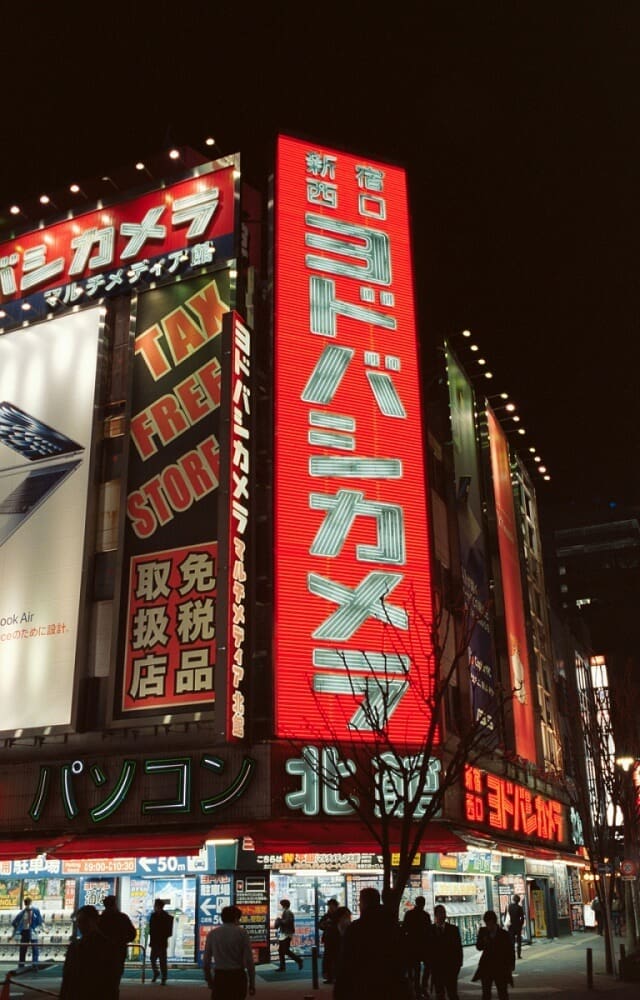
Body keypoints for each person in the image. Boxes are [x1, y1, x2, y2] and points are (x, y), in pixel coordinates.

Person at [334, 886, 403, 1000]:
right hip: (388, 984)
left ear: (364, 903)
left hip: (362, 984)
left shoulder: (356, 928)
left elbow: (346, 961)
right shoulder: (391, 926)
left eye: (360, 901)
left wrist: (340, 990)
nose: (359, 905)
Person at [60, 905, 122, 999]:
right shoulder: (107, 945)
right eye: (78, 922)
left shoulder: (105, 946)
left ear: (95, 921)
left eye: (84, 921)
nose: (80, 925)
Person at [203, 904, 256, 999]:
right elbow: (249, 960)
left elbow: (206, 960)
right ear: (236, 918)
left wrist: (209, 980)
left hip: (220, 976)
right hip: (238, 976)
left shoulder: (213, 934)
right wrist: (252, 983)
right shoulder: (242, 933)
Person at [472, 910, 515, 1000]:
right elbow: (478, 947)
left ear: (494, 922)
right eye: (487, 924)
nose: (488, 926)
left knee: (502, 992)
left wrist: (511, 966)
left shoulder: (503, 934)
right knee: (486, 993)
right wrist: (484, 940)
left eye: (490, 924)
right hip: (486, 967)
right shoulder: (483, 931)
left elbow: (510, 950)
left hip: (500, 967)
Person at [429, 903, 463, 1000]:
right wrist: (430, 966)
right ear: (436, 915)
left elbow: (458, 949)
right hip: (437, 969)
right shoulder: (430, 930)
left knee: (452, 993)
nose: (443, 916)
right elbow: (428, 949)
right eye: (440, 913)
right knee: (439, 994)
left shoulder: (453, 930)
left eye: (444, 913)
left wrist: (458, 966)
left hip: (450, 969)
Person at [98, 895, 137, 980]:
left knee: (103, 977)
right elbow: (132, 934)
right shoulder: (122, 918)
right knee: (115, 978)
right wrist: (123, 940)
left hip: (103, 952)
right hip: (119, 950)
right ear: (115, 904)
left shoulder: (101, 919)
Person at [402, 895, 432, 998]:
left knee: (416, 968)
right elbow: (429, 931)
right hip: (423, 946)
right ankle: (422, 987)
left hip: (413, 946)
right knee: (426, 966)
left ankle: (418, 988)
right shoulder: (425, 915)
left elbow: (404, 929)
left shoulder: (409, 914)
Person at [12, 895, 44, 971]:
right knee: (31, 949)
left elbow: (14, 922)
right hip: (29, 932)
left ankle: (26, 965)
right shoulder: (26, 912)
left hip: (28, 932)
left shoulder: (29, 911)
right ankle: (32, 965)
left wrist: (16, 931)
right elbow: (40, 921)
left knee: (27, 949)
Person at [149, 898, 174, 984]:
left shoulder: (166, 917)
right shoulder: (154, 916)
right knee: (153, 959)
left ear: (158, 906)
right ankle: (157, 973)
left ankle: (163, 977)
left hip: (161, 941)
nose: (154, 907)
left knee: (162, 961)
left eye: (155, 906)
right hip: (156, 941)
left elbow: (168, 931)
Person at [274, 898, 303, 971]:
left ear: (283, 905)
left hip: (287, 934)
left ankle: (297, 960)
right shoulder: (286, 912)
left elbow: (287, 922)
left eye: (280, 904)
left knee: (284, 950)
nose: (279, 906)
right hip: (286, 933)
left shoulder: (287, 912)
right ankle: (283, 966)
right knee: (282, 950)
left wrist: (279, 920)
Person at [319, 897, 340, 984]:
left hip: (338, 939)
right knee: (328, 958)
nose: (330, 908)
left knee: (336, 958)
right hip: (329, 939)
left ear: (336, 906)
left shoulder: (340, 915)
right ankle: (329, 977)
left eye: (331, 907)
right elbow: (320, 925)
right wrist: (324, 925)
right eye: (329, 907)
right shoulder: (326, 915)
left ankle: (336, 976)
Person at [506, 893, 525, 959]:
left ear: (513, 899)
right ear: (519, 900)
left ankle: (512, 955)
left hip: (511, 926)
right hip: (517, 926)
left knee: (512, 941)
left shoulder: (509, 906)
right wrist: (521, 924)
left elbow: (507, 915)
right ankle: (519, 955)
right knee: (519, 941)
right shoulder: (519, 908)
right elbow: (522, 918)